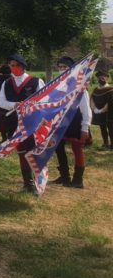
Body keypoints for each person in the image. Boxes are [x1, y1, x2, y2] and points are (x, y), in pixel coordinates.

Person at [0, 53, 45, 193]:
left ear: (23, 66)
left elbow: (43, 100)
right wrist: (14, 105)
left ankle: (38, 182)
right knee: (22, 152)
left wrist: (31, 106)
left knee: (34, 151)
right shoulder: (6, 83)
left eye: (17, 65)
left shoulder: (35, 81)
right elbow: (1, 102)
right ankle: (27, 183)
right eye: (12, 65)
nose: (14, 68)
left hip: (32, 122)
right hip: (14, 122)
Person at [50, 56, 92, 188]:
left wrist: (85, 127)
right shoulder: (58, 86)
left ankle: (78, 180)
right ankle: (65, 176)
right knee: (58, 147)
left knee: (77, 149)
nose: (62, 69)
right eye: (60, 67)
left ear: (72, 69)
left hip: (76, 122)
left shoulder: (80, 86)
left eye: (65, 67)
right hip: (62, 122)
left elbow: (86, 109)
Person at [91, 70, 113, 150]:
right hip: (99, 113)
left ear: (107, 78)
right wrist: (95, 109)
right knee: (102, 128)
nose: (101, 79)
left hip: (109, 113)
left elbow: (110, 102)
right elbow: (92, 99)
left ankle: (112, 145)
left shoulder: (111, 89)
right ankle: (105, 143)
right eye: (99, 78)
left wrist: (102, 110)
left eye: (103, 77)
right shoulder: (96, 89)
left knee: (111, 128)